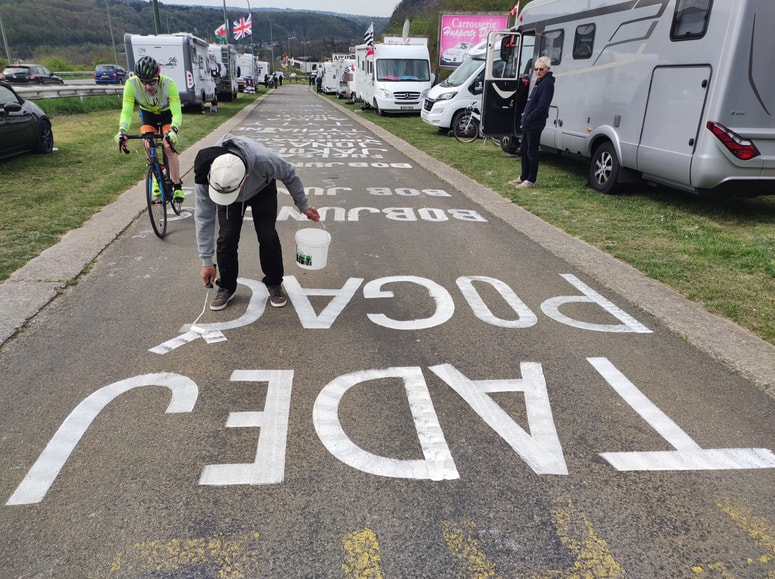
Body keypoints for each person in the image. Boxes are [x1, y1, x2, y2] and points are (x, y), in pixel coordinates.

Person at [194, 134, 321, 311]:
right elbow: (203, 217)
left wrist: (303, 205)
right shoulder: (205, 173)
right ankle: (226, 286)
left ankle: (274, 283)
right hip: (229, 199)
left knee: (267, 235)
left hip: (262, 189)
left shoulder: (265, 161)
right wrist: (206, 261)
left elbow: (289, 173)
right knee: (227, 238)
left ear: (245, 177)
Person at [115, 56, 185, 202]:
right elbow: (126, 112)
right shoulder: (131, 84)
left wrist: (174, 130)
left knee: (168, 146)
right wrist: (122, 131)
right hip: (148, 114)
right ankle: (156, 174)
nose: (148, 87)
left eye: (152, 82)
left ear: (158, 77)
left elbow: (177, 113)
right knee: (148, 143)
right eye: (144, 83)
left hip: (167, 114)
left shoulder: (168, 84)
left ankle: (177, 186)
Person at [510, 56, 555, 189]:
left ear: (548, 69)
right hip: (529, 123)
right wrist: (524, 118)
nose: (538, 71)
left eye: (541, 69)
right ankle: (523, 176)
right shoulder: (540, 81)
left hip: (535, 123)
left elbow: (542, 106)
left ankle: (531, 180)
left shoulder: (547, 83)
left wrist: (528, 119)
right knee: (524, 150)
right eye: (536, 69)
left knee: (532, 151)